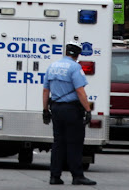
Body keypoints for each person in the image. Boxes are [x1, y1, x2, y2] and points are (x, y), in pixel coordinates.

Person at [42, 42, 96, 186]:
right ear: (77, 54)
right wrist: (88, 110)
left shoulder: (52, 66)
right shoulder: (75, 67)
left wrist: (45, 110)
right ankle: (77, 176)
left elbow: (46, 90)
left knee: (58, 143)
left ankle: (55, 176)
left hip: (56, 109)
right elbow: (80, 91)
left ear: (66, 52)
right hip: (71, 110)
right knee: (74, 143)